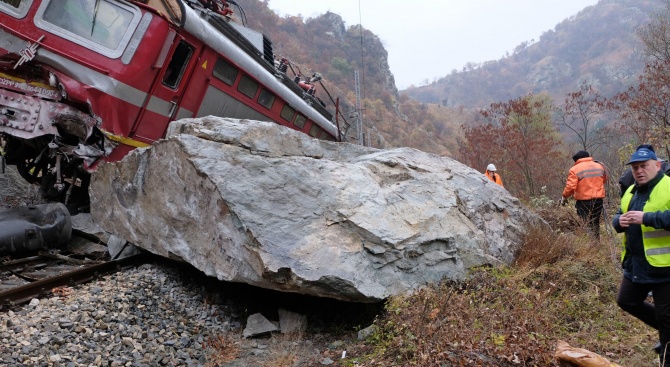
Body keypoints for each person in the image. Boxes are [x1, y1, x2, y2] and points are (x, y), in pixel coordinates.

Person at [612, 146, 670, 366]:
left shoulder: (668, 186)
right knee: (626, 301)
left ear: (657, 165)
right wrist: (619, 222)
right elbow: (619, 214)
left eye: (643, 166)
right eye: (635, 167)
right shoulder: (631, 190)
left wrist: (647, 218)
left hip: (666, 267)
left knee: (666, 318)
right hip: (637, 265)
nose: (639, 171)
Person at [560, 150, 607, 239]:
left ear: (577, 160)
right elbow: (604, 180)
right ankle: (596, 243)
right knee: (595, 222)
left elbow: (570, 187)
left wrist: (564, 196)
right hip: (598, 200)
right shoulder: (599, 166)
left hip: (583, 201)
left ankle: (588, 245)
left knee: (585, 223)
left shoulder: (574, 169)